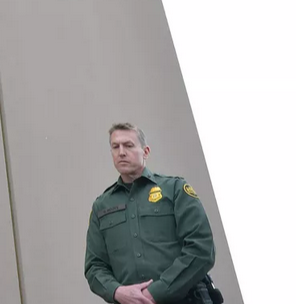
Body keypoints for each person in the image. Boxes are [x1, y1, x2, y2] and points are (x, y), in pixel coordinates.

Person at [85, 123, 216, 304]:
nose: (121, 152)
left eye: (128, 145)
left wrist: (154, 293)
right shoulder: (101, 206)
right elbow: (95, 266)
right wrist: (117, 292)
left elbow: (201, 249)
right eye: (115, 147)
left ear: (145, 152)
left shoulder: (175, 190)